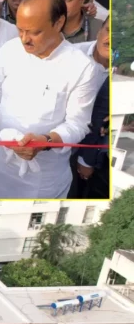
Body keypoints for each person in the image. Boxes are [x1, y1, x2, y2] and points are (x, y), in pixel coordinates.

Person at [0, 0, 98, 199]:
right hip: (2, 165)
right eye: (20, 30)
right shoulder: (10, 50)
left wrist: (45, 141)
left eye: (35, 32)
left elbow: (78, 124)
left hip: (44, 175)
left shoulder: (81, 67)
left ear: (58, 22)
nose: (25, 39)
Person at [68, 22, 111, 199]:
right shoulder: (72, 55)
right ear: (100, 29)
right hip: (61, 144)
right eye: (109, 30)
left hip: (94, 153)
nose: (110, 39)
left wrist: (87, 158)